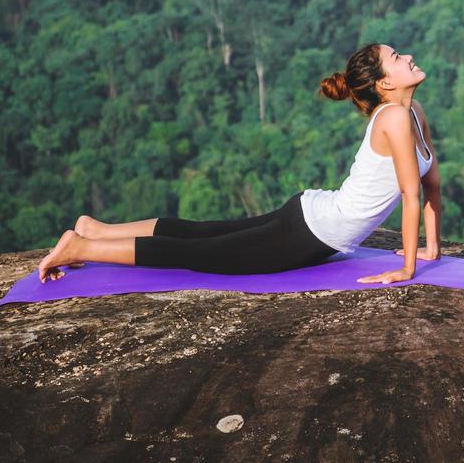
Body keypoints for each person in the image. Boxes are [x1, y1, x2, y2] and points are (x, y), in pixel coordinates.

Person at [35, 43, 442, 285]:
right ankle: (82, 245)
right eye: (396, 56)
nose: (407, 55)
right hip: (312, 232)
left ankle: (97, 230)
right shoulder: (392, 118)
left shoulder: (413, 111)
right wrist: (406, 268)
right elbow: (408, 195)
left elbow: (430, 187)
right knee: (200, 254)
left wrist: (430, 250)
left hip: (313, 218)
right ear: (384, 84)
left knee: (203, 235)